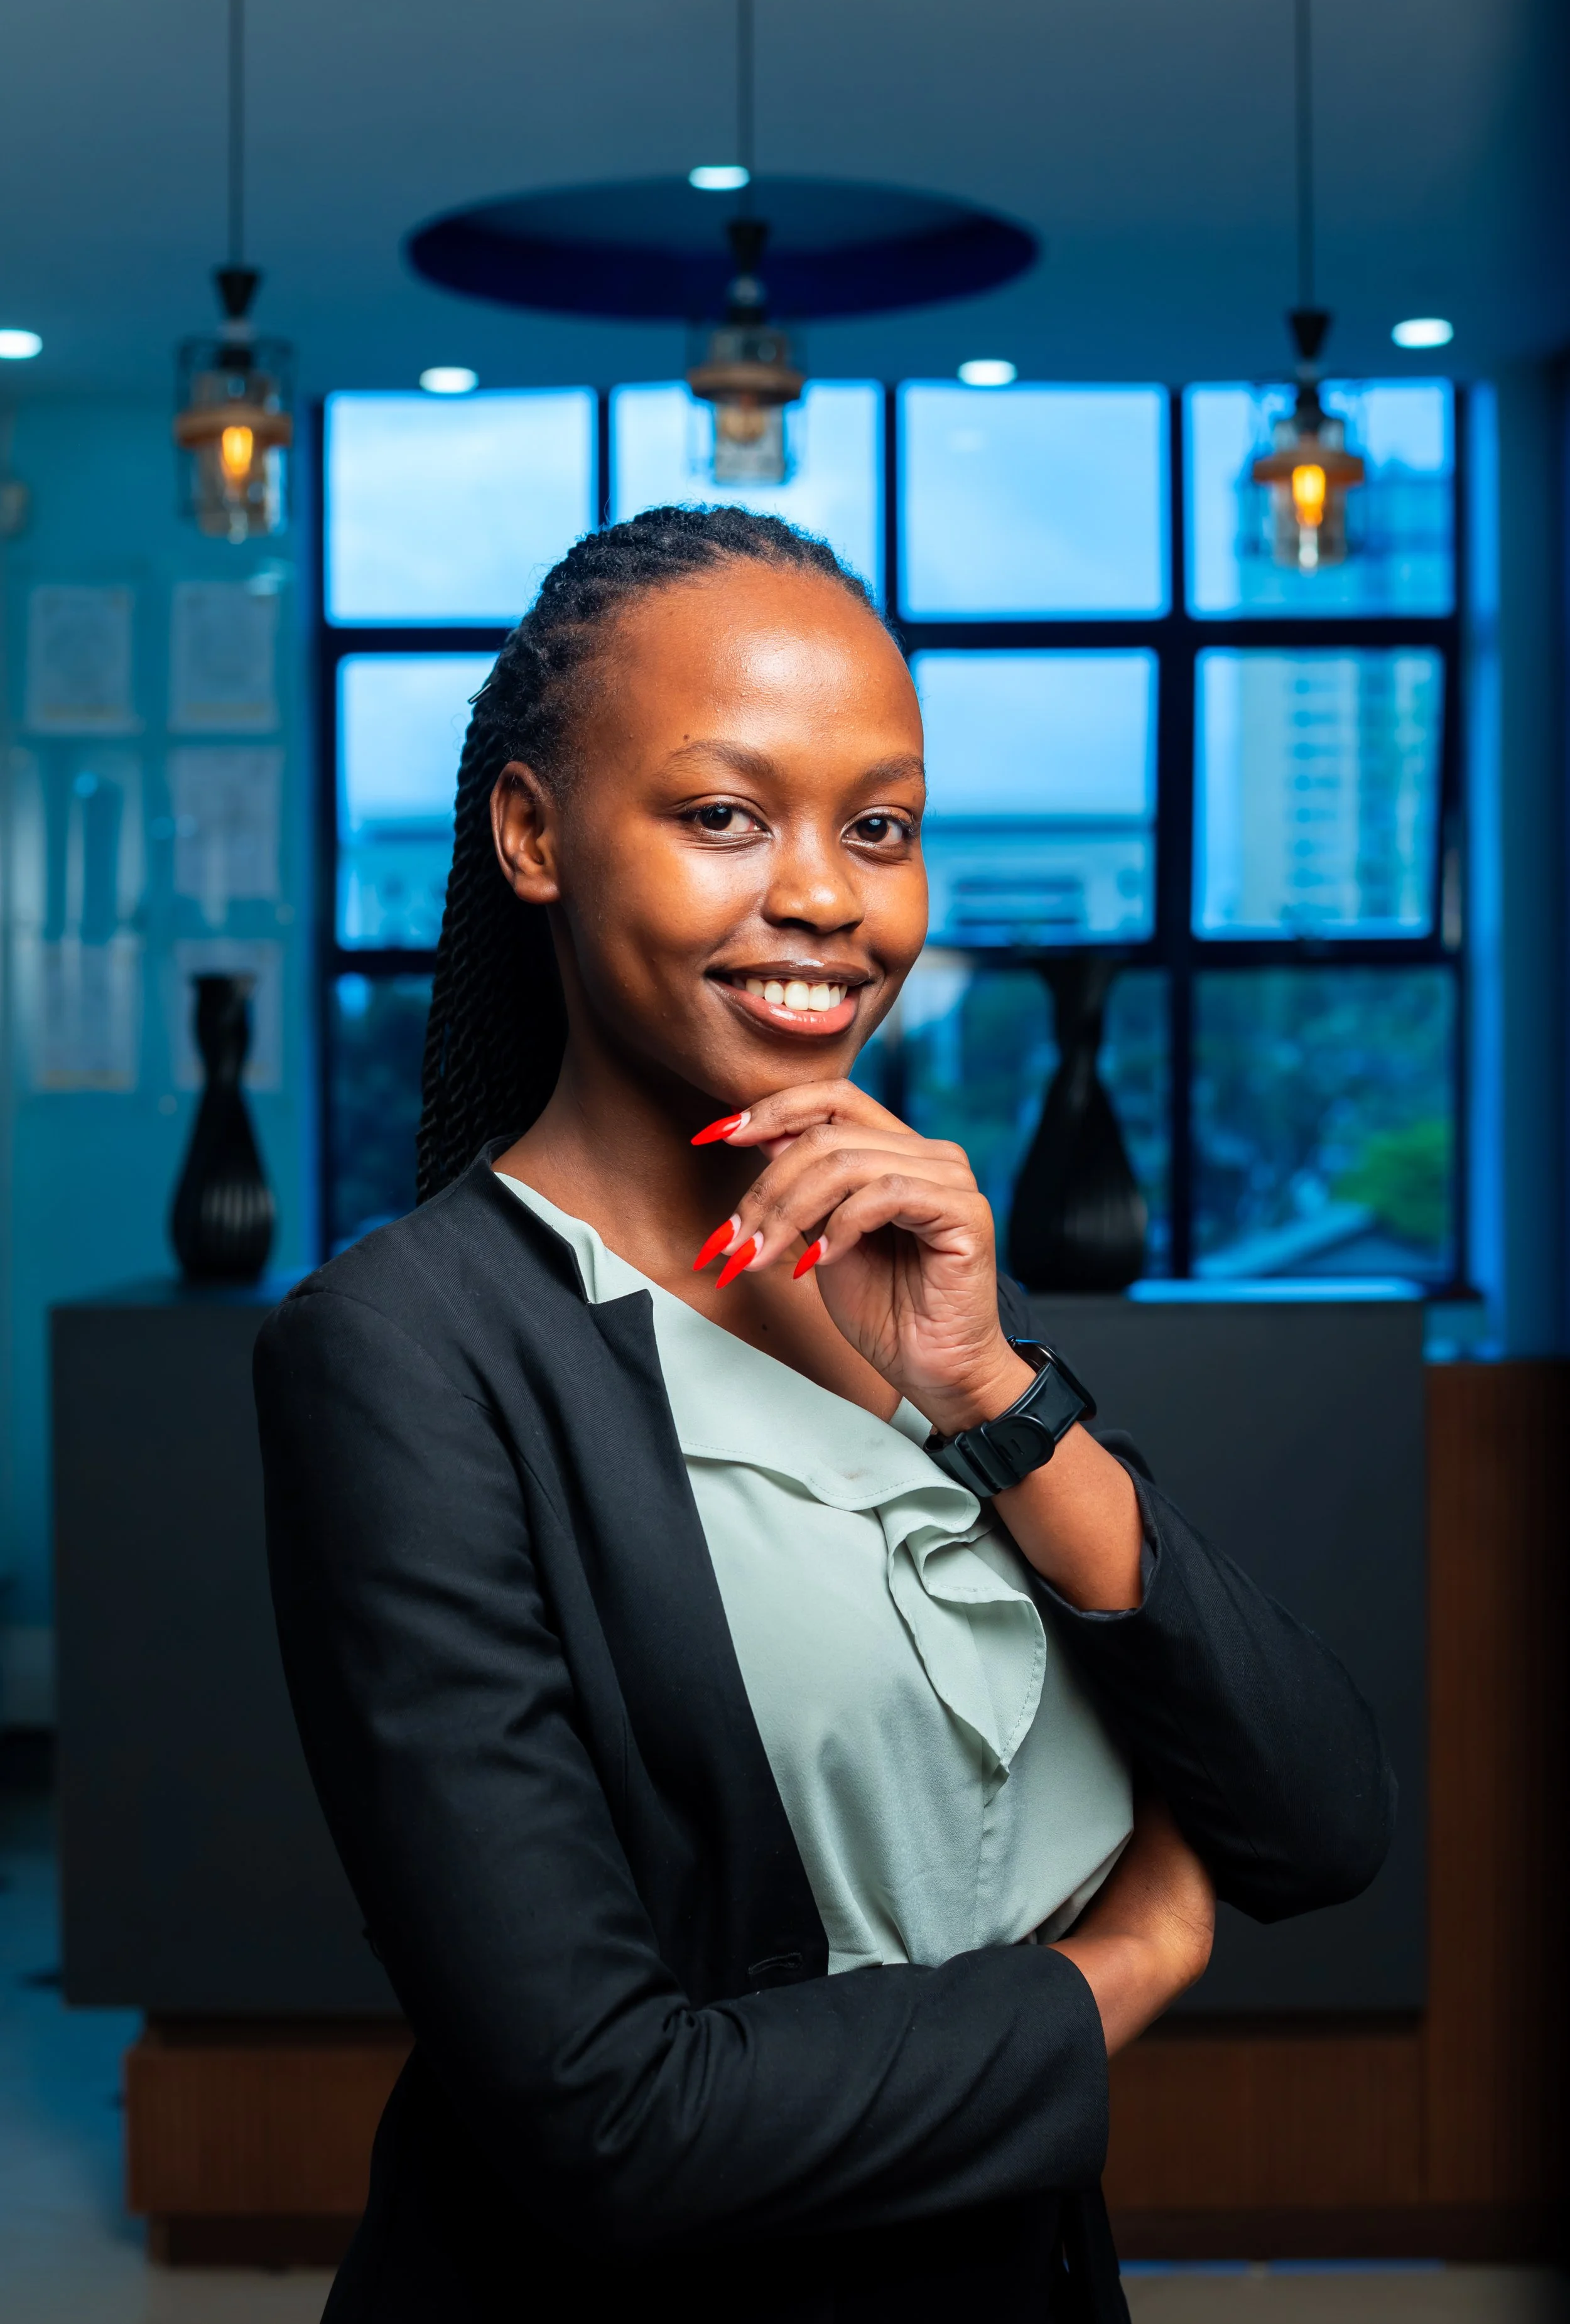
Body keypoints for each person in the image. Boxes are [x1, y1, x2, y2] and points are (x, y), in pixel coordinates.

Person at [255, 507, 1394, 2324]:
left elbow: (1322, 1819)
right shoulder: (405, 1351)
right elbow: (615, 2123)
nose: (826, 897)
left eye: (880, 827)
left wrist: (989, 1395)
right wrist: (1135, 1960)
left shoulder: (901, 1281)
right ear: (533, 836)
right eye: (723, 816)